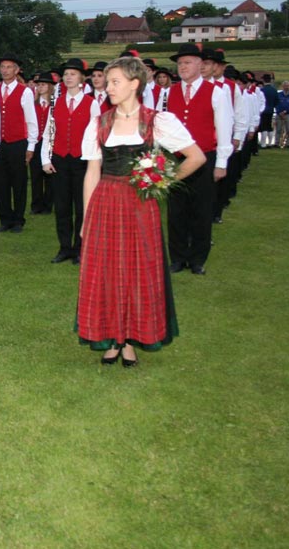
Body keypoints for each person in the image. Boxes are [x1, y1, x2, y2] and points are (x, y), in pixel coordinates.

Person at [76, 57, 206, 367]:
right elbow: (92, 171)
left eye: (115, 82)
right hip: (105, 202)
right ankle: (110, 337)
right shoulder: (100, 122)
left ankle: (131, 340)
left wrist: (159, 179)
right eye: (107, 82)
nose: (108, 88)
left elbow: (195, 156)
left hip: (139, 205)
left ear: (135, 83)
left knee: (137, 271)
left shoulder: (157, 120)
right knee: (106, 271)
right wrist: (85, 218)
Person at [164, 43, 233, 275]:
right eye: (180, 63)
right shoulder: (169, 92)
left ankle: (197, 259)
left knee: (201, 211)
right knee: (176, 211)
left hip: (205, 158)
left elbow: (224, 127)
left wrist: (222, 163)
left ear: (200, 64)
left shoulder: (216, 92)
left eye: (188, 62)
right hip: (176, 159)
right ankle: (177, 257)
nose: (183, 66)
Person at [41, 58, 100, 264]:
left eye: (73, 74)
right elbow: (49, 133)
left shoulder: (92, 104)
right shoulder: (56, 103)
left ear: (82, 78)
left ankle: (80, 248)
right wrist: (45, 159)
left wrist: (95, 163)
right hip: (60, 160)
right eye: (66, 74)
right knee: (62, 206)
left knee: (81, 206)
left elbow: (96, 136)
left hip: (82, 161)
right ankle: (64, 247)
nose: (68, 77)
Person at [0, 54, 38, 234]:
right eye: (3, 66)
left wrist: (31, 146)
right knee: (0, 182)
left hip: (17, 142)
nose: (5, 70)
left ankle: (18, 219)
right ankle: (5, 219)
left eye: (9, 67)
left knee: (18, 182)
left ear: (17, 70)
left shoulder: (24, 91)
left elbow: (31, 121)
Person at [30, 72, 55, 215]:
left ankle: (48, 204)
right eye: (38, 84)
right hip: (36, 141)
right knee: (35, 175)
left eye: (43, 84)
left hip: (49, 142)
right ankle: (36, 204)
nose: (40, 87)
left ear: (50, 86)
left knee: (49, 175)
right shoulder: (34, 105)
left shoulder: (54, 105)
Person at [274, 80, 289, 148]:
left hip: (288, 114)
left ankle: (288, 143)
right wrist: (280, 112)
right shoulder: (278, 94)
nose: (287, 87)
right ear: (282, 86)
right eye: (285, 86)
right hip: (279, 114)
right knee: (278, 129)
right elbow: (276, 104)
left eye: (288, 86)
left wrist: (285, 112)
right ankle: (277, 143)